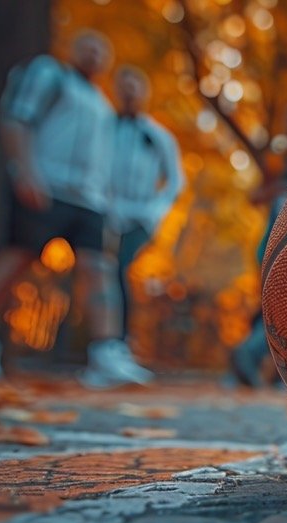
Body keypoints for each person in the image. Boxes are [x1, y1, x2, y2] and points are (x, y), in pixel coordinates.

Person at [0, 31, 152, 388]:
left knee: (100, 269)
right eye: (88, 46)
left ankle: (106, 353)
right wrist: (24, 169)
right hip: (46, 186)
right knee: (17, 257)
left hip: (90, 200)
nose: (94, 53)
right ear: (73, 49)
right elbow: (17, 119)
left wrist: (108, 203)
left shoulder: (102, 104)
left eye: (101, 50)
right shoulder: (49, 74)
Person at [230, 101, 287, 387]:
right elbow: (254, 197)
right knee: (276, 308)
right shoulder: (276, 161)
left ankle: (272, 369)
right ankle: (252, 354)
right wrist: (279, 191)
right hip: (271, 242)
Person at [107, 65, 184, 341]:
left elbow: (176, 181)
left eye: (134, 87)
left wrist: (154, 212)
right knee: (101, 271)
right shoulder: (106, 128)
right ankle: (99, 338)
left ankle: (120, 338)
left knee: (119, 268)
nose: (129, 93)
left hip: (140, 217)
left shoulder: (159, 136)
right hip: (106, 212)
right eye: (124, 87)